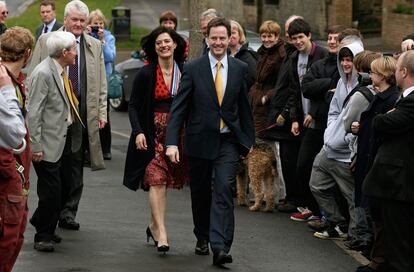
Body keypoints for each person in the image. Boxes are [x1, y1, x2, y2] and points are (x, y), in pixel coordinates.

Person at [165, 17, 255, 267]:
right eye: (213, 38)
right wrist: (172, 142)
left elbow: (243, 108)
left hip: (227, 142)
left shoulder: (239, 69)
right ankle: (202, 235)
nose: (217, 42)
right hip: (198, 141)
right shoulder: (193, 68)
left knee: (225, 190)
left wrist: (248, 142)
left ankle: (221, 246)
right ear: (207, 39)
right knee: (201, 193)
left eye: (222, 38)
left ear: (230, 39)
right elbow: (179, 108)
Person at [28, 0, 108, 231]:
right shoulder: (47, 41)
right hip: (53, 112)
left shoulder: (93, 44)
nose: (79, 24)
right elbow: (35, 73)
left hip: (81, 112)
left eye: (83, 21)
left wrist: (101, 111)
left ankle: (68, 212)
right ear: (65, 19)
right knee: (54, 168)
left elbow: (101, 81)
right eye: (75, 19)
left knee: (74, 167)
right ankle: (46, 214)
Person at [123, 26, 187, 254]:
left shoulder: (185, 71)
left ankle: (153, 225)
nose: (164, 45)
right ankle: (162, 233)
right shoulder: (146, 73)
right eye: (159, 42)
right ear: (154, 47)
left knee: (165, 183)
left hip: (178, 134)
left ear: (175, 44)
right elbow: (133, 106)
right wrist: (138, 131)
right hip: (151, 135)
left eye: (167, 41)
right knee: (156, 179)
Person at [28, 31, 81, 253]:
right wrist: (36, 146)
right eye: (74, 49)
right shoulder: (43, 73)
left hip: (63, 137)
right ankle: (43, 235)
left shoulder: (61, 69)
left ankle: (42, 221)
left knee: (64, 187)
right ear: (64, 52)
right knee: (51, 192)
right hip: (47, 143)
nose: (76, 53)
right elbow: (33, 112)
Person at [362, 50, 414, 272]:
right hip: (393, 182)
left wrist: (385, 117)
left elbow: (380, 123)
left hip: (401, 182)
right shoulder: (405, 99)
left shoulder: (410, 102)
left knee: (401, 246)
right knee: (393, 239)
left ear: (403, 72)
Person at [309, 36, 364, 240]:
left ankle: (356, 235)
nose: (345, 63)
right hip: (329, 148)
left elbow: (359, 121)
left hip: (346, 154)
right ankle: (338, 222)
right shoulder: (341, 82)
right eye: (343, 59)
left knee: (352, 197)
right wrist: (330, 132)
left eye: (350, 59)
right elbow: (334, 111)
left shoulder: (364, 88)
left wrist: (349, 143)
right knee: (316, 184)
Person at [289, 25, 345, 222]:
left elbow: (334, 96)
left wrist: (324, 89)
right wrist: (329, 83)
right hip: (314, 125)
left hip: (334, 127)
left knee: (331, 174)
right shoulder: (320, 63)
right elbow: (306, 88)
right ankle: (313, 210)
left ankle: (330, 216)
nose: (331, 41)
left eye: (335, 38)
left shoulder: (345, 65)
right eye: (329, 37)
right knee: (303, 167)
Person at [353, 57, 399, 272]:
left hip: (378, 162)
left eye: (372, 73)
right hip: (368, 157)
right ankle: (376, 257)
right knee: (374, 212)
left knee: (379, 214)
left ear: (382, 76)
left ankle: (378, 260)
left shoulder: (391, 100)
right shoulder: (380, 97)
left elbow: (381, 131)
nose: (369, 76)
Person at [0, 26, 34, 272]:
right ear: (28, 53)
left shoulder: (14, 82)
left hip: (17, 174)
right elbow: (15, 133)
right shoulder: (5, 85)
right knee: (7, 238)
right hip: (8, 170)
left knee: (16, 234)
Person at [87, 9, 116, 160]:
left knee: (104, 114)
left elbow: (110, 57)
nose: (98, 26)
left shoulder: (109, 37)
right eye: (95, 24)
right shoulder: (85, 37)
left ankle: (106, 148)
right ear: (89, 25)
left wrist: (102, 41)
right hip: (89, 78)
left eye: (101, 23)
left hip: (103, 78)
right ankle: (88, 148)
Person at [228, 19, 257, 89]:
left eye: (233, 33)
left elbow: (251, 82)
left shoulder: (247, 57)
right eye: (228, 33)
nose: (230, 36)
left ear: (240, 35)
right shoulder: (224, 56)